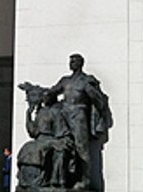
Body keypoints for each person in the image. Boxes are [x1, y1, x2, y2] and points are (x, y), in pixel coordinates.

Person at [48, 54, 112, 190]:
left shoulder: (85, 81)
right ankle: (64, 178)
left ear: (80, 64)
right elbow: (52, 92)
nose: (71, 63)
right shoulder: (65, 80)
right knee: (63, 145)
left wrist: (98, 114)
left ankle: (85, 180)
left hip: (78, 115)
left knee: (81, 148)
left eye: (74, 61)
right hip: (64, 116)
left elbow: (98, 100)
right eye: (70, 61)